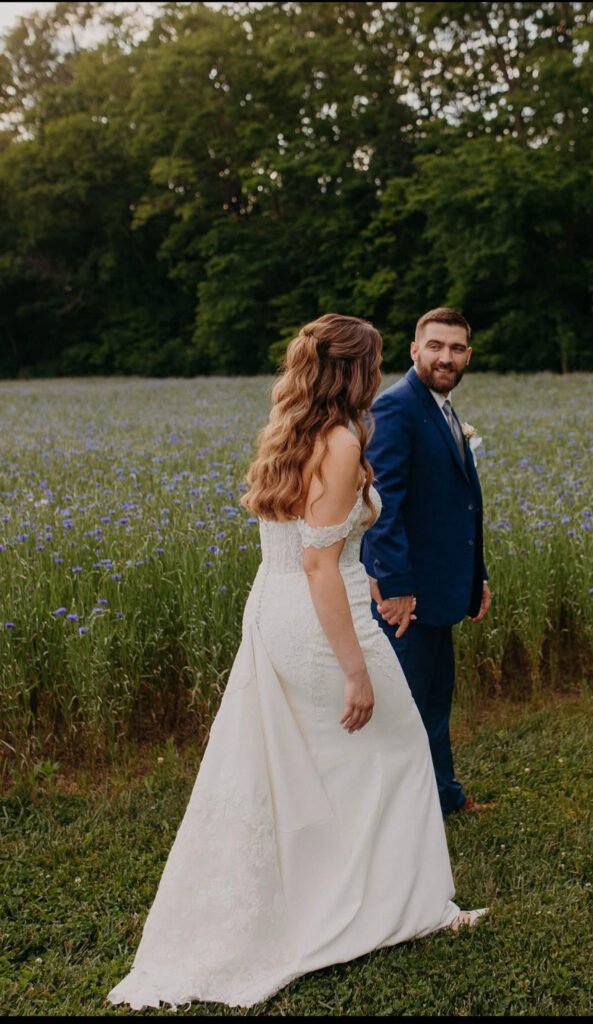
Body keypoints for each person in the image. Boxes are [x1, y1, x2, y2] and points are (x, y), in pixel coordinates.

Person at [107, 314, 484, 1011]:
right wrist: (354, 668)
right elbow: (318, 562)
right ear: (359, 372)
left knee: (315, 761)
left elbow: (317, 543)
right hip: (318, 615)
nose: (378, 378)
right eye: (373, 364)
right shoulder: (340, 441)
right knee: (397, 748)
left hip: (274, 607)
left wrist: (363, 572)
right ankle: (403, 909)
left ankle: (360, 895)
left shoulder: (292, 430)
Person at [361, 307, 492, 816]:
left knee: (435, 699)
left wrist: (476, 575)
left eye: (457, 348)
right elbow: (381, 504)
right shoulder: (396, 408)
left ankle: (443, 799)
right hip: (406, 596)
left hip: (440, 588)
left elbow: (461, 507)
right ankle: (402, 816)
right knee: (408, 707)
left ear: (468, 355)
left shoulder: (442, 406)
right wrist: (394, 587)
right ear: (414, 350)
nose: (446, 356)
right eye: (435, 346)